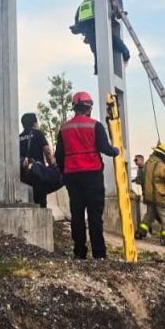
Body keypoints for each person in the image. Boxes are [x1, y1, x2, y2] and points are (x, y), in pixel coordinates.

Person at [55, 91, 119, 259]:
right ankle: (99, 253)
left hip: (72, 176)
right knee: (94, 216)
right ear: (89, 107)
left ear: (74, 108)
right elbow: (105, 148)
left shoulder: (64, 128)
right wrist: (116, 150)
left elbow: (59, 155)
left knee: (77, 215)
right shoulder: (95, 125)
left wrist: (63, 173)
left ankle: (79, 252)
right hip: (92, 176)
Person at [70, 0, 131, 74]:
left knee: (96, 50)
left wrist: (76, 29)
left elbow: (77, 20)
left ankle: (98, 70)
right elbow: (106, 10)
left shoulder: (82, 5)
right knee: (112, 39)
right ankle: (126, 53)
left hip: (88, 30)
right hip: (97, 25)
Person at [135, 142, 165, 245]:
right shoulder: (161, 165)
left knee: (149, 215)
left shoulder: (148, 162)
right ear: (162, 154)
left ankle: (140, 233)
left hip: (148, 195)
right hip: (158, 195)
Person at [19, 112, 57, 208]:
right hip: (37, 173)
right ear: (34, 123)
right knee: (40, 202)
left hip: (24, 174)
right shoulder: (38, 133)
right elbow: (47, 151)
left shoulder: (19, 137)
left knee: (27, 203)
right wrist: (52, 165)